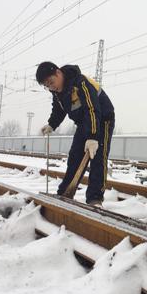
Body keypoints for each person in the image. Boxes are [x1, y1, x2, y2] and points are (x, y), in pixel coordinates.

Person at [36, 62, 115, 206]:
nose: (51, 87)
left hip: (102, 119)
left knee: (98, 157)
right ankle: (66, 192)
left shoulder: (80, 83)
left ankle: (95, 198)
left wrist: (92, 137)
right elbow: (59, 110)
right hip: (84, 122)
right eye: (47, 86)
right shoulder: (58, 92)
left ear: (58, 73)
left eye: (51, 82)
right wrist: (51, 124)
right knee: (75, 157)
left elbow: (92, 109)